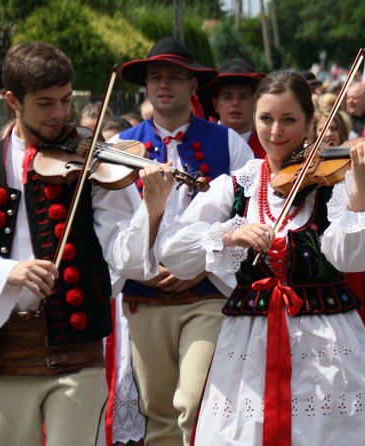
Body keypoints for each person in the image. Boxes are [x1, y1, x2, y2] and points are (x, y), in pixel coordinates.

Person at [153, 70, 365, 444]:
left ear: (311, 122)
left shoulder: (335, 185)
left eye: (289, 120)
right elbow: (174, 250)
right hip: (250, 341)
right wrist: (230, 236)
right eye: (266, 119)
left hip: (325, 339)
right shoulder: (236, 185)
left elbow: (351, 259)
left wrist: (361, 189)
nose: (276, 131)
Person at [0, 41, 164, 446]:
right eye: (45, 103)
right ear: (13, 100)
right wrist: (6, 270)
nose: (60, 114)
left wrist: (151, 212)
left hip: (77, 349)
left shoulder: (95, 160)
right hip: (5, 352)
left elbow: (123, 253)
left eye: (65, 100)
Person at [113, 36, 255, 445]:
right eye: (156, 77)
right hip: (146, 294)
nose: (163, 85)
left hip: (207, 294)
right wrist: (146, 265)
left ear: (193, 86)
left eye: (174, 77)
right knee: (157, 412)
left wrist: (201, 262)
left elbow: (247, 213)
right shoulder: (123, 147)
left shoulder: (228, 142)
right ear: (145, 86)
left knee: (194, 403)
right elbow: (115, 224)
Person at [200, 58, 266, 158]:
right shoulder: (198, 144)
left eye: (243, 97)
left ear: (255, 104)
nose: (235, 103)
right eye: (228, 97)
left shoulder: (269, 148)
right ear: (215, 105)